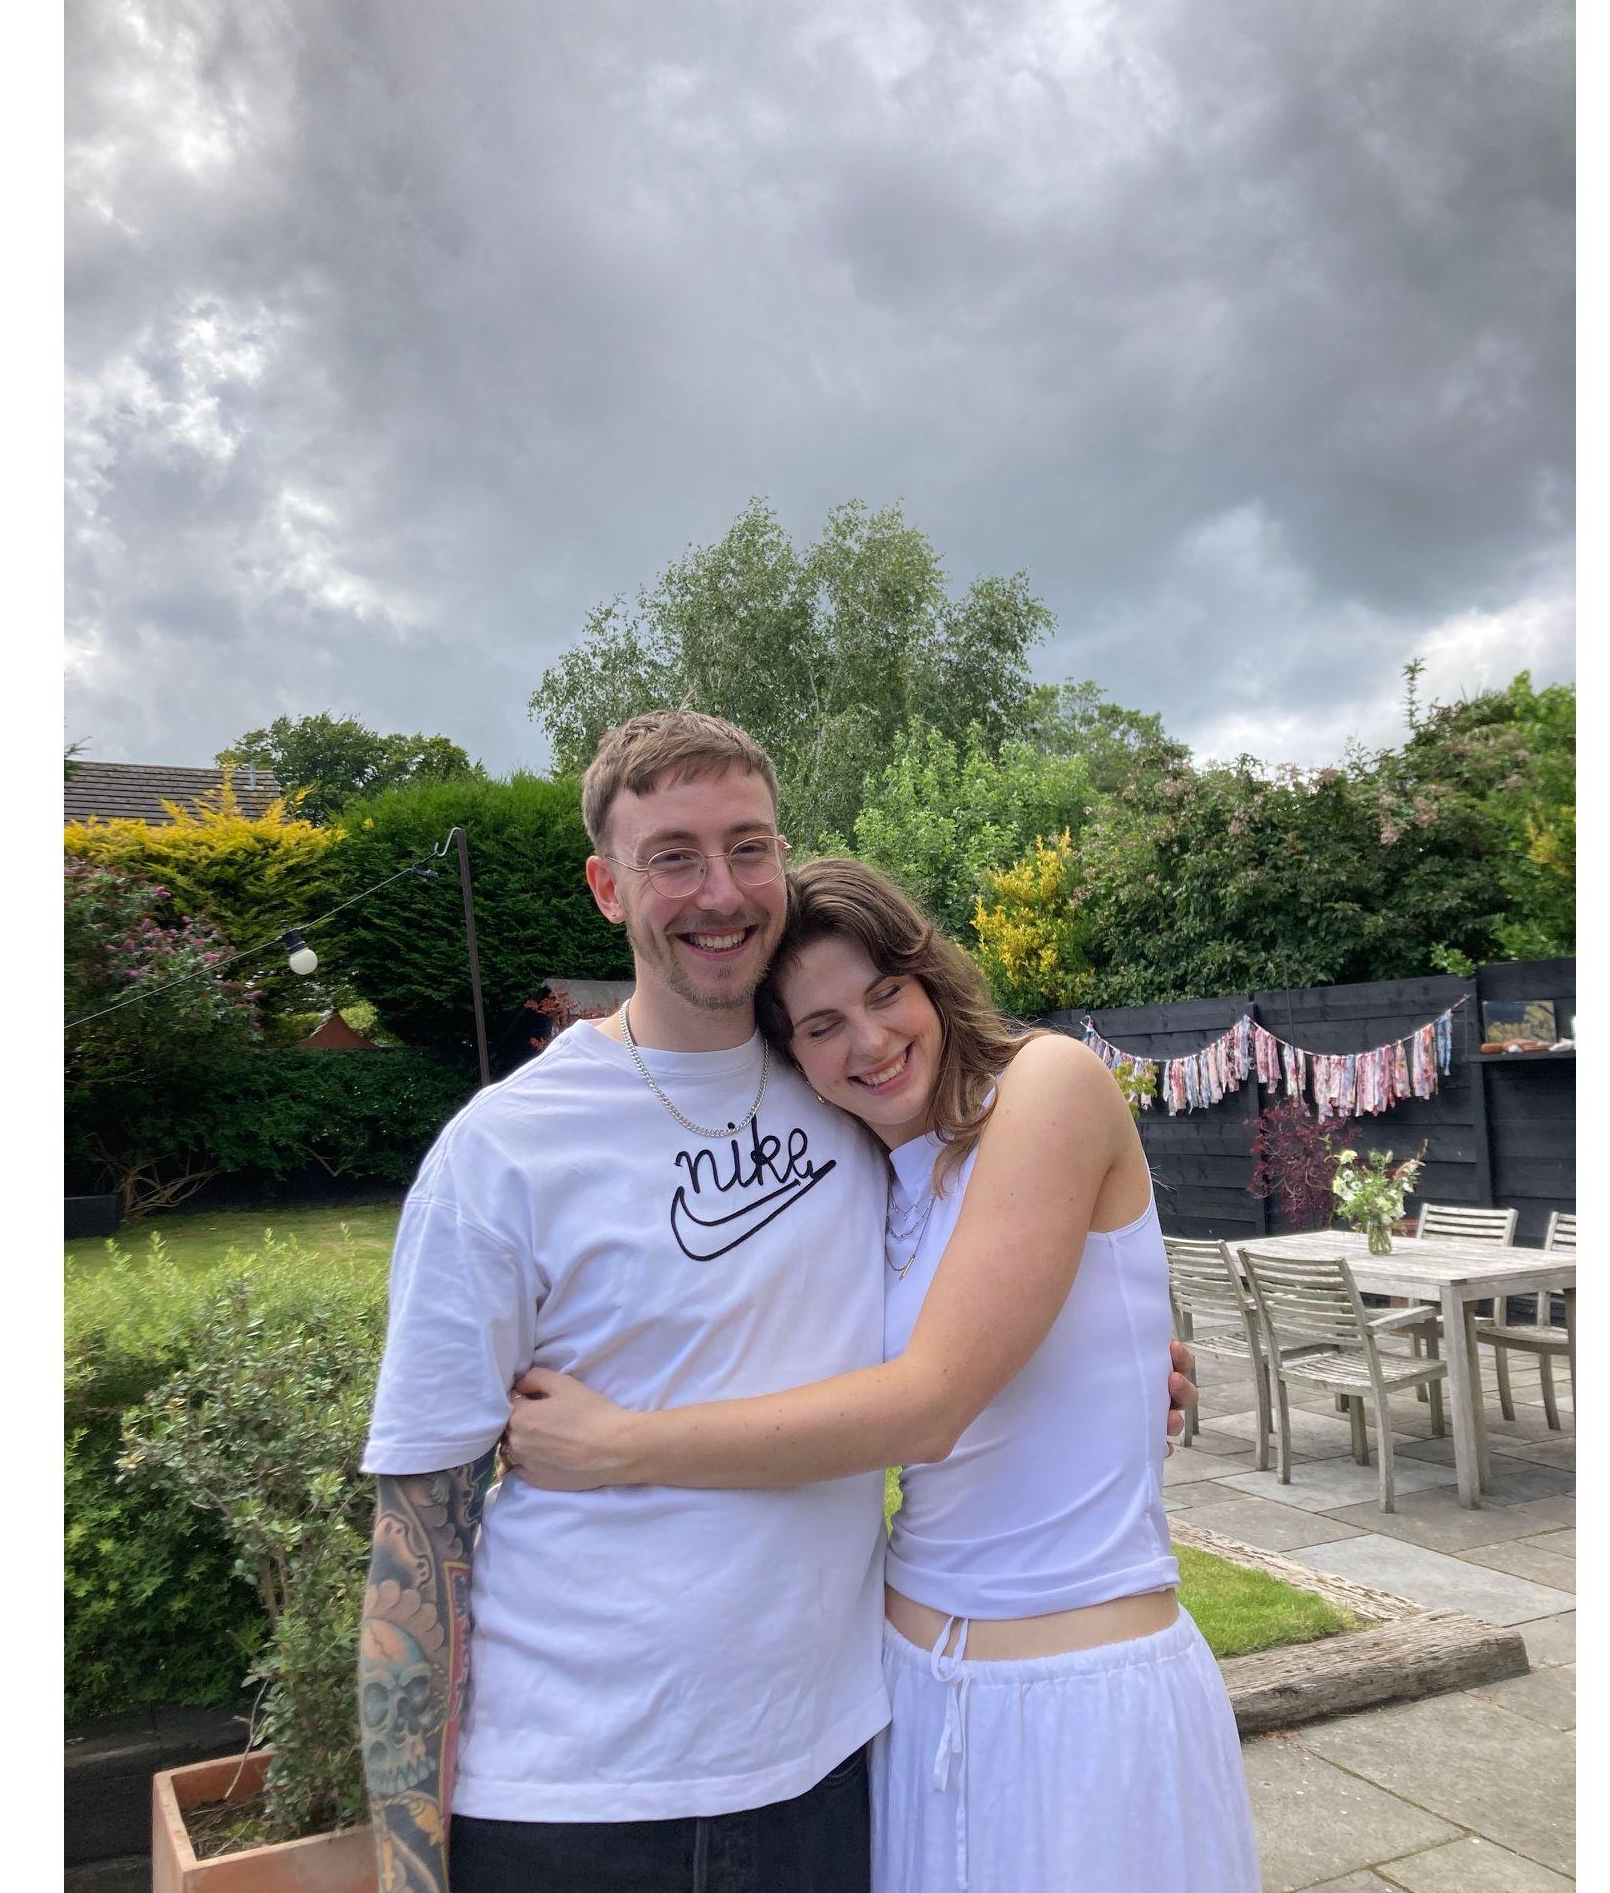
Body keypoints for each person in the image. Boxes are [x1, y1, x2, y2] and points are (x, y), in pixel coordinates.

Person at [355, 711, 1201, 1893]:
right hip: (576, 1793)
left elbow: (992, 1291)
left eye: (747, 846)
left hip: (833, 1763)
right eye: (673, 857)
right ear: (608, 887)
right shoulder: (503, 1150)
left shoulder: (851, 1103)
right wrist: (406, 1867)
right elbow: (419, 1529)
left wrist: (1131, 1350)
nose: (719, 889)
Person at [503, 856, 1261, 1893]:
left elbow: (928, 1405)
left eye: (885, 993)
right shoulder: (867, 1174)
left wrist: (616, 1446)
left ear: (929, 979)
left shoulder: (1047, 1085)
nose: (867, 1042)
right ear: (793, 1058)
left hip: (1080, 1706)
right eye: (821, 1026)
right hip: (907, 1705)